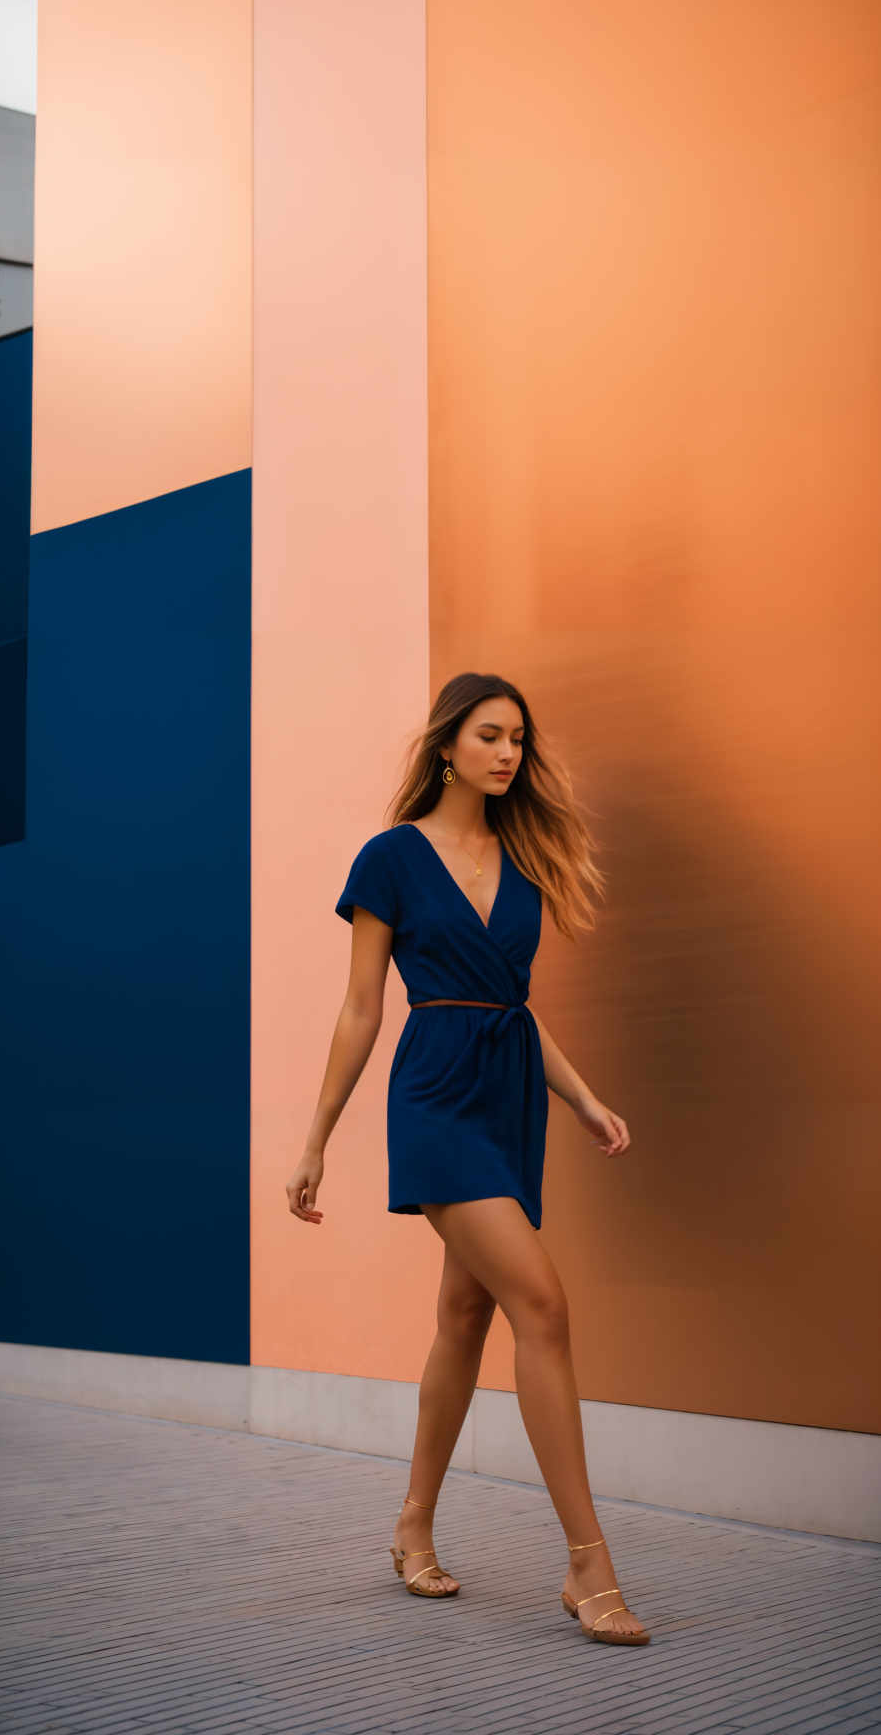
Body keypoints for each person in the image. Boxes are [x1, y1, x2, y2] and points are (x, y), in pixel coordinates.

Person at [286, 671, 650, 1647]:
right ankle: (586, 1562)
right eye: (488, 734)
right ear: (446, 744)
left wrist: (579, 1098)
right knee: (541, 1301)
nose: (505, 753)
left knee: (463, 1313)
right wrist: (315, 1139)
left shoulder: (522, 858)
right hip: (436, 1093)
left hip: (509, 1094)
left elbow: (514, 1007)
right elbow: (362, 1007)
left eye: (517, 740)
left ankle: (410, 1521)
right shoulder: (391, 858)